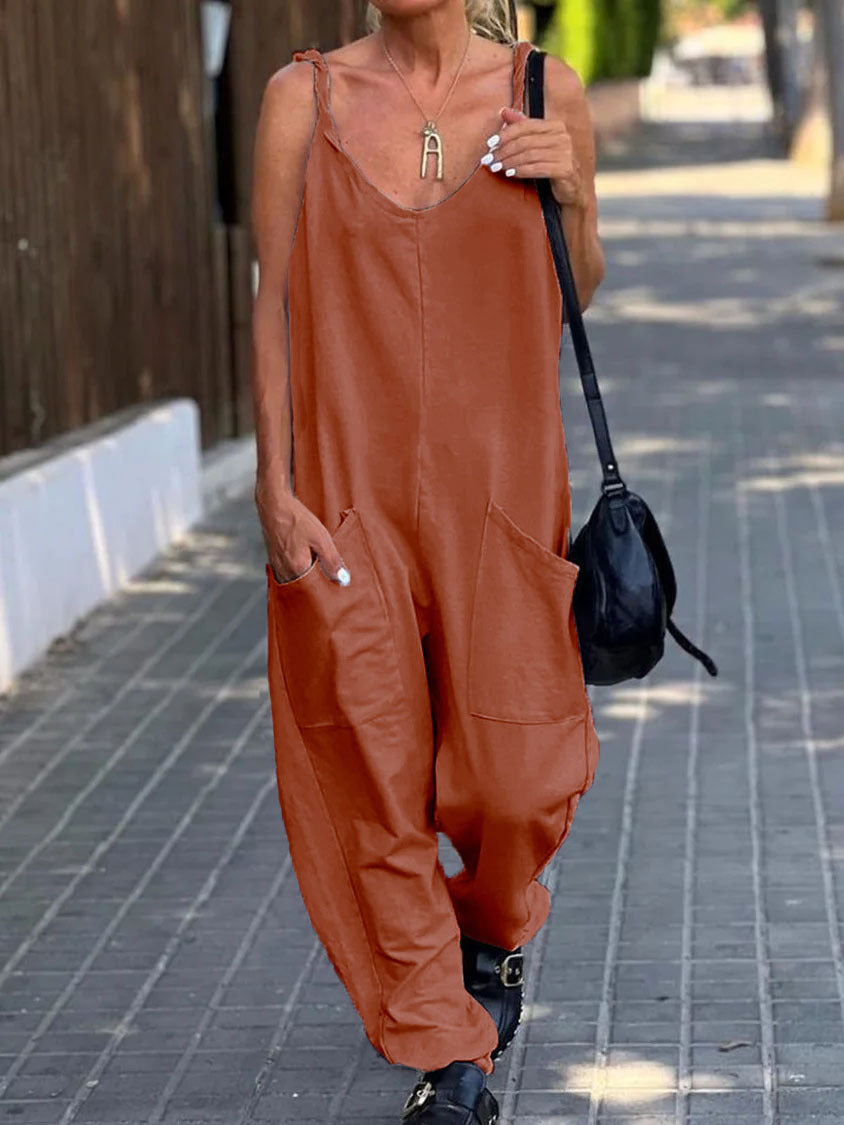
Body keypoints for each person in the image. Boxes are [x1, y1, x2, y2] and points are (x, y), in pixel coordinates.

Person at [250, 1, 605, 1120]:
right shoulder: (302, 98)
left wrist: (573, 191)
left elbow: (577, 290)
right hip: (347, 502)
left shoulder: (543, 91)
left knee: (515, 776)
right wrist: (273, 485)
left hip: (502, 497)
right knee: (369, 774)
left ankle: (489, 929)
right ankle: (446, 1054)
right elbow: (271, 301)